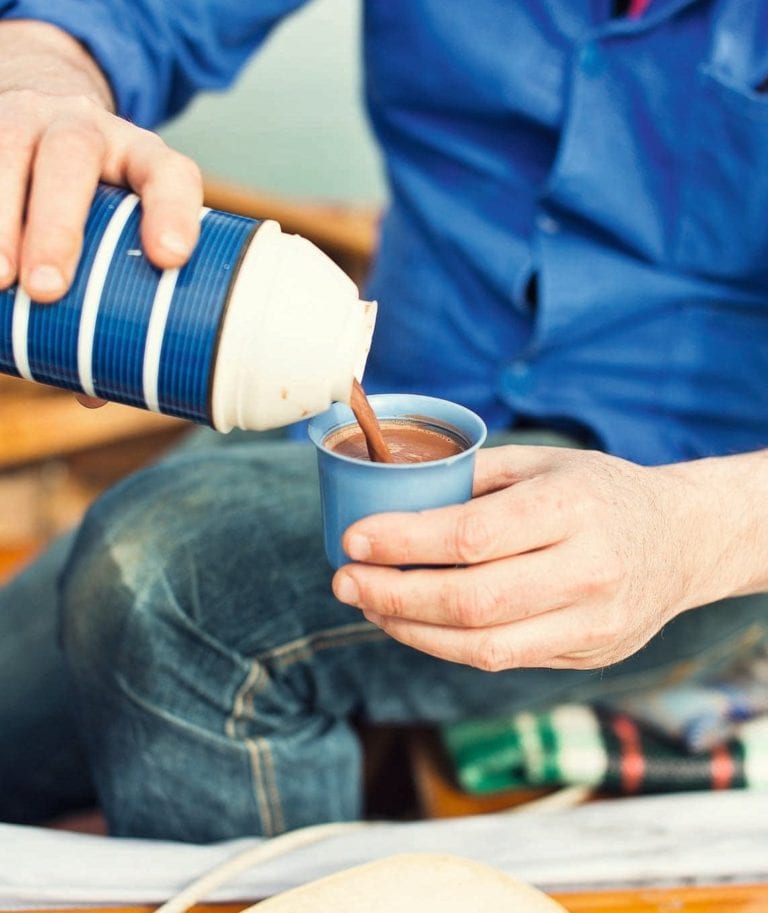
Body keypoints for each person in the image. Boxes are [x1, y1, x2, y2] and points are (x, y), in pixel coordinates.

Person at [1, 0, 767, 842]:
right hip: (350, 378)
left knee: (163, 580)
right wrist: (39, 70)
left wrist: (698, 534)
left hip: (687, 496)